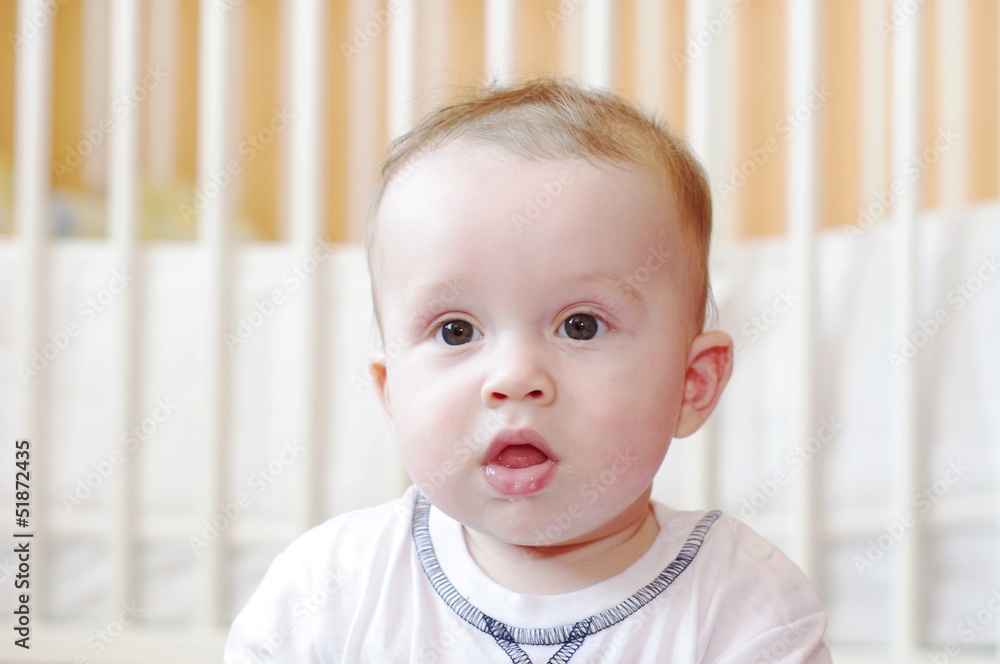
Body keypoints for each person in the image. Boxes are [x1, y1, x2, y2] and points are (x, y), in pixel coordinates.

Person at [225, 78, 831, 663]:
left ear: (692, 384)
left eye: (581, 326)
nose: (515, 377)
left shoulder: (742, 603)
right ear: (391, 393)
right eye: (456, 331)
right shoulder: (331, 590)